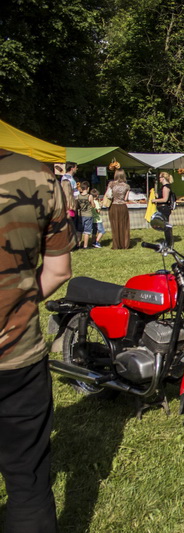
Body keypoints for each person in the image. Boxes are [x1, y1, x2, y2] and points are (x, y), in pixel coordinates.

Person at [0, 148, 73, 533]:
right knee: (27, 485)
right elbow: (58, 271)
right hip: (16, 355)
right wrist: (20, 303)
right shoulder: (38, 176)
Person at [107, 168, 131, 249]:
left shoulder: (111, 184)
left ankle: (116, 244)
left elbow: (108, 195)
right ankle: (125, 244)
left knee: (115, 225)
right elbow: (126, 199)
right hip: (123, 206)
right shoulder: (127, 186)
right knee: (124, 225)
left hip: (114, 206)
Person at [153, 171, 176, 243]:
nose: (159, 179)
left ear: (163, 178)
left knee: (165, 225)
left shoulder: (166, 187)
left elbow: (165, 199)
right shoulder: (164, 187)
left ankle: (168, 240)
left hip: (164, 208)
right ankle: (168, 239)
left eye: (160, 177)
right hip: (162, 208)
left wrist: (155, 200)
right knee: (164, 224)